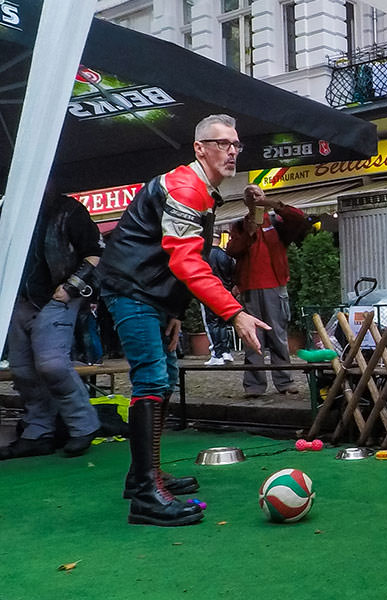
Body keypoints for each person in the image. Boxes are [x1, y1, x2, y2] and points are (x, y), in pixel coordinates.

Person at [99, 114, 270, 527]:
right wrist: (235, 312)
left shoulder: (203, 191)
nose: (232, 151)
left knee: (165, 378)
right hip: (130, 289)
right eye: (222, 143)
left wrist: (174, 311)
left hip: (149, 293)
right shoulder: (185, 187)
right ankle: (145, 495)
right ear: (200, 148)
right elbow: (187, 263)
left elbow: (176, 258)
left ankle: (145, 476)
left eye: (236, 144)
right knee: (152, 379)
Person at [0, 186, 103, 460]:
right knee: (22, 368)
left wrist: (71, 286)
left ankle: (83, 425)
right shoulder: (10, 211)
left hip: (57, 295)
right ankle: (39, 431)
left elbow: (95, 251)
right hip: (21, 297)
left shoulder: (69, 210)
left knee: (52, 364)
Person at [226, 184, 310, 397]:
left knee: (277, 336)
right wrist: (249, 233)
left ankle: (285, 382)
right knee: (252, 338)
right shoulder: (239, 225)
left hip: (275, 286)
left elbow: (300, 219)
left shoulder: (277, 222)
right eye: (249, 195)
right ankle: (254, 386)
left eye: (257, 193)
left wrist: (272, 204)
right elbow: (232, 250)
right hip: (249, 288)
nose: (254, 197)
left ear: (263, 196)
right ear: (245, 201)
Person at [202, 231, 237, 366]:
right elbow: (233, 272)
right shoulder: (226, 255)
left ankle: (217, 353)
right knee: (223, 322)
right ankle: (226, 351)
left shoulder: (205, 255)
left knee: (211, 323)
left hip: (209, 291)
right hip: (225, 291)